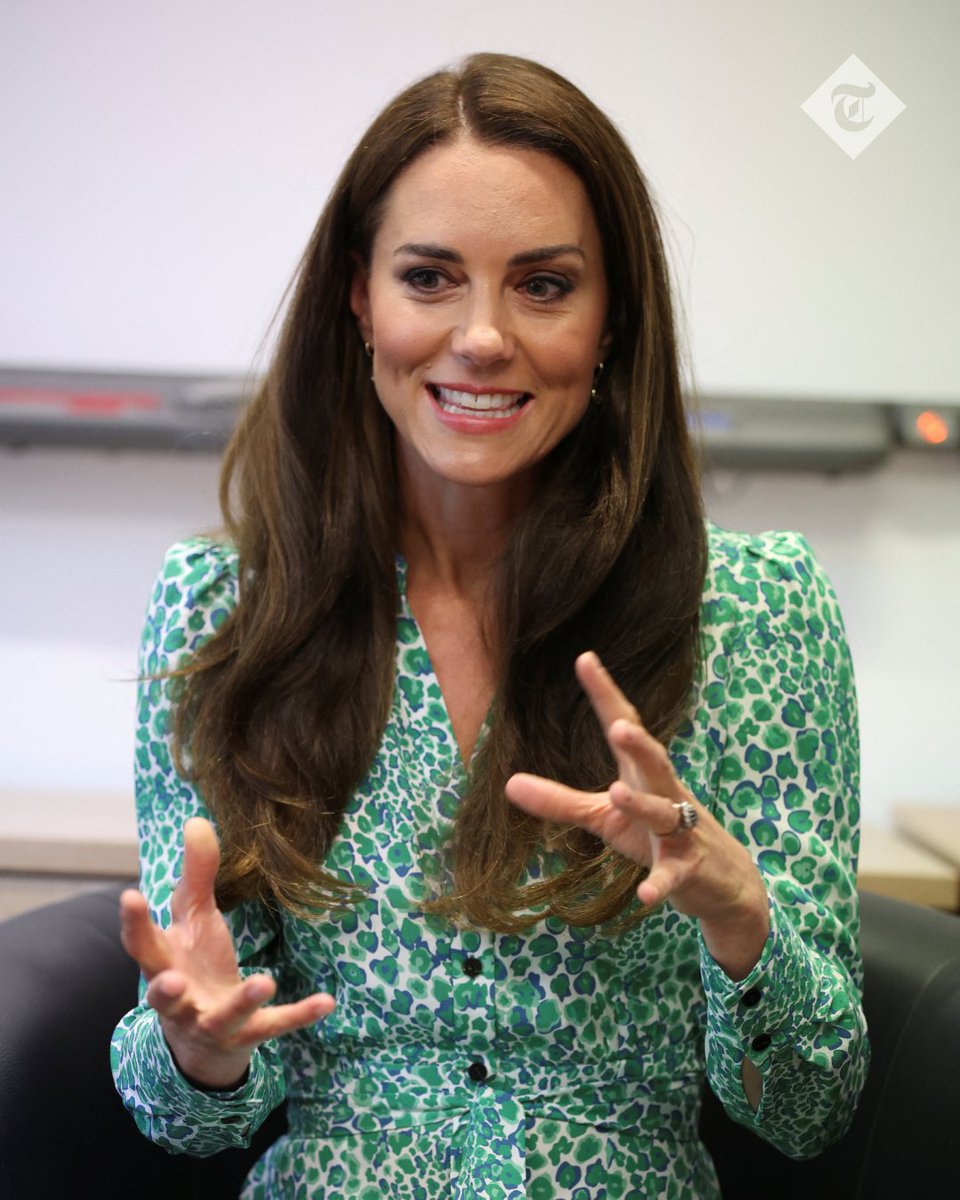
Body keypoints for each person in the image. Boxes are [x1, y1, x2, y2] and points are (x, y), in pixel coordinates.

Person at [111, 52, 869, 1200]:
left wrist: (739, 913)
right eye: (429, 277)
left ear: (612, 317)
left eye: (544, 285)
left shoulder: (759, 614)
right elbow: (186, 1114)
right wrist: (202, 1052)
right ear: (358, 298)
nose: (479, 337)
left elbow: (811, 1113)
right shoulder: (222, 608)